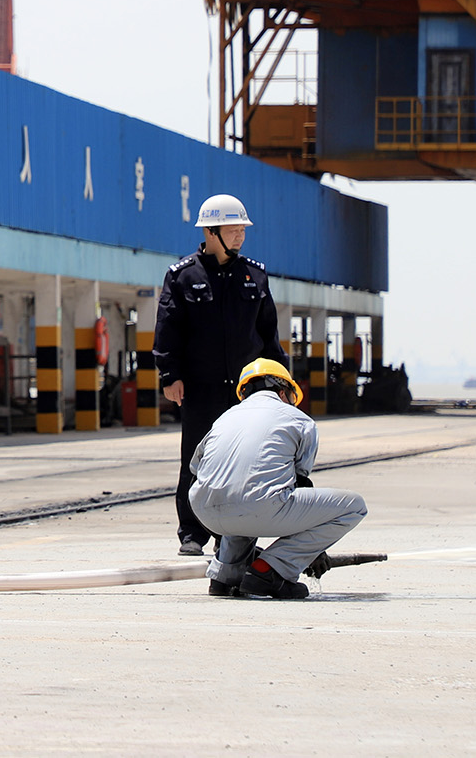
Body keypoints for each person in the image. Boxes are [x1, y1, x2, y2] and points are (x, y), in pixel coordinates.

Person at [153, 193, 290, 557]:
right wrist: (170, 375)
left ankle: (232, 535)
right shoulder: (183, 276)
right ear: (210, 232)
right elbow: (168, 329)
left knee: (246, 461)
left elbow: (268, 335)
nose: (240, 236)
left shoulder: (254, 275)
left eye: (242, 229)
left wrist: (280, 383)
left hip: (247, 392)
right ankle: (192, 533)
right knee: (196, 459)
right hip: (201, 388)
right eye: (233, 230)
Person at [188, 360, 368, 599]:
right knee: (354, 506)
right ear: (283, 392)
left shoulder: (224, 419)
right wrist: (310, 550)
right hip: (257, 506)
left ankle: (225, 576)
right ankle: (270, 571)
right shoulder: (299, 419)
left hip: (204, 512)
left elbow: (196, 471)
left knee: (241, 492)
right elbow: (300, 482)